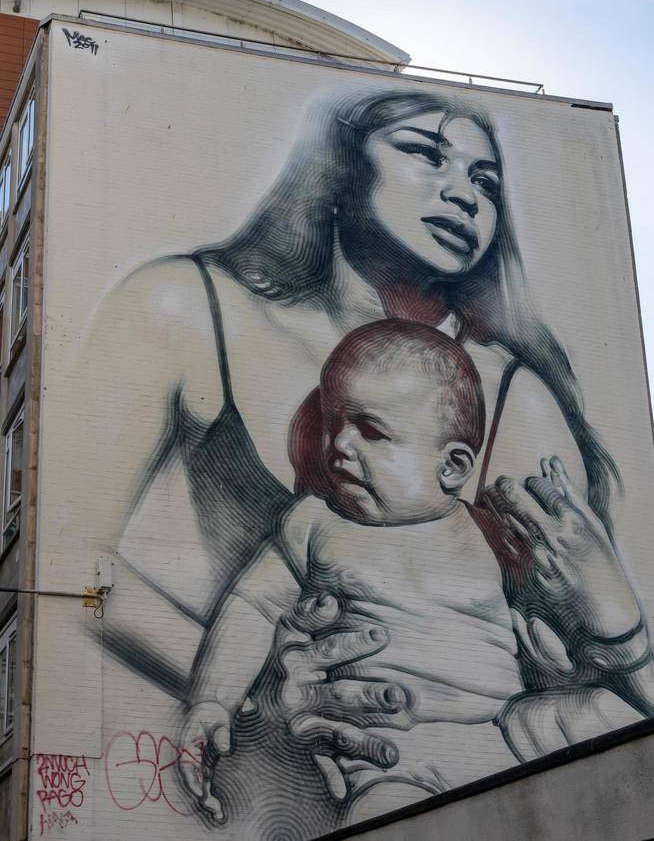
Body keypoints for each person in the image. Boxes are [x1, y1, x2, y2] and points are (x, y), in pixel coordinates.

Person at [80, 87, 647, 826]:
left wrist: (608, 629)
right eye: (424, 152)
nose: (463, 194)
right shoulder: (184, 307)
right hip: (291, 795)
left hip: (499, 760)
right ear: (339, 167)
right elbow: (62, 579)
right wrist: (240, 692)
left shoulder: (513, 397)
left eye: (485, 180)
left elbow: (583, 666)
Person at [184, 320, 522, 823]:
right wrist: (212, 701)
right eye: (335, 421)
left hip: (510, 731)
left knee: (594, 714)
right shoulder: (317, 523)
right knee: (384, 813)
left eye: (370, 429)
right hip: (390, 751)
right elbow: (252, 607)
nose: (339, 443)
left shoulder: (490, 533)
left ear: (451, 467)